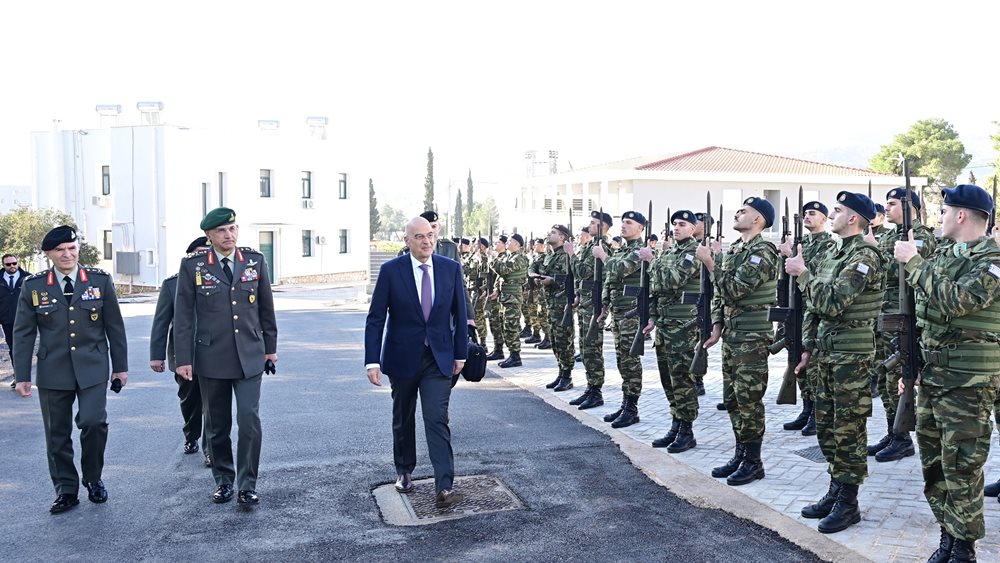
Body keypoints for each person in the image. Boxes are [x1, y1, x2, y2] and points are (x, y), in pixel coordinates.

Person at [893, 184, 1000, 562]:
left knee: (963, 466)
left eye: (944, 210)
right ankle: (949, 535)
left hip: (969, 382)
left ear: (961, 215)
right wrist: (913, 366)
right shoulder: (944, 256)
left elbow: (960, 302)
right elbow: (923, 318)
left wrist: (915, 263)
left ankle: (964, 548)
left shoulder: (993, 258)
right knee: (935, 465)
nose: (938, 217)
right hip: (934, 378)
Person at [785, 192, 885, 533]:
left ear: (854, 218)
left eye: (839, 210)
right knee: (827, 427)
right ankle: (836, 488)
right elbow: (814, 310)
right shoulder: (835, 253)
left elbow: (831, 302)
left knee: (848, 430)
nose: (834, 215)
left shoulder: (865, 256)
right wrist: (808, 346)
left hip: (852, 356)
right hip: (827, 353)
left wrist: (801, 274)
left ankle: (849, 502)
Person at [13, 225, 128, 514]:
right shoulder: (34, 286)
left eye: (71, 248)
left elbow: (114, 326)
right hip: (53, 371)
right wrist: (22, 376)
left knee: (93, 422)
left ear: (78, 249)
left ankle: (93, 478)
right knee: (57, 434)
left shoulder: (99, 281)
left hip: (93, 367)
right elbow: (23, 333)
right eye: (60, 250)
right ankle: (66, 489)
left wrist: (120, 368)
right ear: (49, 254)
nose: (67, 254)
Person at [173, 207, 278, 506]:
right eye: (222, 231)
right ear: (209, 235)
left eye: (233, 229)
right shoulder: (193, 266)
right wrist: (183, 359)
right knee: (217, 424)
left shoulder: (254, 261)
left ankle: (247, 484)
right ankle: (223, 480)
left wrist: (270, 348)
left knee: (248, 419)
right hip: (211, 357)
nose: (229, 235)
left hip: (250, 354)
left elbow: (266, 309)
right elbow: (183, 317)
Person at [365, 216, 468, 509]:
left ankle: (444, 486)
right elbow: (376, 318)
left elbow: (460, 314)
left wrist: (460, 353)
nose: (426, 241)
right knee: (403, 416)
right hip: (402, 357)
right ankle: (405, 471)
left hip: (438, 358)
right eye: (419, 237)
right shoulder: (391, 271)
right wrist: (371, 360)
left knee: (437, 417)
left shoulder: (449, 269)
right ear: (407, 241)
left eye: (430, 236)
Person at [696, 197, 778, 486]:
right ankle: (741, 453)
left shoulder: (763, 252)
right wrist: (717, 324)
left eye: (744, 211)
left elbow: (734, 288)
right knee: (732, 399)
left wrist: (709, 261)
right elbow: (719, 295)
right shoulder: (737, 250)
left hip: (752, 336)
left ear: (758, 219)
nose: (737, 213)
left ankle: (754, 461)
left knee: (749, 400)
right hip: (733, 335)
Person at [868, 188, 937, 462]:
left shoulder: (921, 237)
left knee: (898, 379)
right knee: (885, 379)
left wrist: (874, 253)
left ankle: (903, 438)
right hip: (887, 316)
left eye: (893, 203)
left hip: (906, 316)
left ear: (911, 208)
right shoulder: (889, 236)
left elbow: (900, 269)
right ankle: (893, 431)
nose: (887, 208)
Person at [150, 236, 212, 467]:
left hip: (214, 352)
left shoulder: (220, 280)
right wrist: (156, 355)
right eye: (197, 253)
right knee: (190, 400)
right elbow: (161, 322)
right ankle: (191, 434)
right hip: (183, 353)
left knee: (212, 404)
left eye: (206, 251)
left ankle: (211, 450)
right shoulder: (172, 284)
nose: (202, 256)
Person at [645, 210, 702, 452]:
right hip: (665, 325)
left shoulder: (694, 252)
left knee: (682, 379)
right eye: (674, 224)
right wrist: (653, 317)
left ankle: (687, 430)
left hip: (683, 327)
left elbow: (672, 280)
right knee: (668, 379)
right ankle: (676, 423)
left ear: (693, 228)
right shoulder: (670, 253)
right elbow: (656, 288)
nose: (676, 228)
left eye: (682, 224)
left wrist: (653, 261)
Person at [778, 201, 835, 436]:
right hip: (797, 307)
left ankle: (815, 413)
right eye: (805, 214)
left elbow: (820, 274)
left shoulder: (830, 245)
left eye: (813, 213)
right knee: (795, 357)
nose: (807, 217)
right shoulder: (801, 244)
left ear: (824, 219)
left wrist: (795, 259)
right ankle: (806, 407)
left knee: (810, 363)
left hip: (814, 307)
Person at [593, 210, 646, 428]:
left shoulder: (640, 251)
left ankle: (632, 407)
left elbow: (620, 269)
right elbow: (610, 280)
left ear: (641, 228)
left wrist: (603, 256)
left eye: (629, 223)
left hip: (632, 313)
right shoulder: (623, 250)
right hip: (618, 312)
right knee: (622, 360)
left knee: (631, 361)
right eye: (622, 222)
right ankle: (626, 404)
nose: (623, 226)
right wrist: (605, 304)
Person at [568, 211, 612, 409]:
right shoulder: (589, 247)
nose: (590, 226)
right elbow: (581, 278)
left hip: (595, 303)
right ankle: (590, 386)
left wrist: (571, 255)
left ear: (603, 227)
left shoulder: (604, 248)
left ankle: (596, 391)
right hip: (585, 301)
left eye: (593, 223)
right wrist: (578, 293)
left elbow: (583, 271)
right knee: (585, 347)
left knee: (593, 348)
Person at [535, 225, 576, 390]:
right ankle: (561, 372)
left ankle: (567, 376)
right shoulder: (549, 256)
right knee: (554, 339)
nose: (548, 234)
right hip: (551, 303)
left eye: (553, 233)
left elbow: (570, 277)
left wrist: (552, 280)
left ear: (562, 238)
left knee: (564, 340)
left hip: (562, 303)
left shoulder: (566, 255)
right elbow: (536, 268)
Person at [492, 234, 529, 368]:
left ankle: (515, 356)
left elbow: (502, 269)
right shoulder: (509, 257)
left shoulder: (520, 258)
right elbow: (501, 277)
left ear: (518, 244)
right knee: (505, 326)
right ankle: (511, 354)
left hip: (513, 297)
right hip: (506, 296)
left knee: (511, 327)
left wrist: (493, 258)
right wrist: (497, 289)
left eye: (510, 241)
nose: (507, 243)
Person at [1, 253, 29, 386]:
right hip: (8, 320)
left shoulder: (27, 278)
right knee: (14, 347)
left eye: (14, 263)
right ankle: (18, 376)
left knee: (26, 347)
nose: (12, 266)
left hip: (26, 319)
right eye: (8, 264)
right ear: (3, 265)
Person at [485, 236, 508, 360]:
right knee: (492, 322)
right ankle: (496, 347)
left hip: (498, 295)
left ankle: (499, 349)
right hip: (492, 292)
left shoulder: (504, 258)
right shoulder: (498, 257)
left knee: (497, 323)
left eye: (498, 242)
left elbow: (500, 273)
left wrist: (490, 258)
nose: (495, 244)